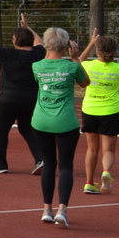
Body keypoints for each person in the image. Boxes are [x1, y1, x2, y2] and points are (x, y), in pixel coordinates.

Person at [30, 27, 89, 227]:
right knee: (65, 166)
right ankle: (62, 210)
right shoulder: (72, 67)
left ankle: (46, 208)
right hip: (65, 122)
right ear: (66, 46)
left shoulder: (37, 66)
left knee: (48, 163)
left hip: (41, 121)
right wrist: (75, 58)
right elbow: (86, 83)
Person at [0, 13, 46, 175]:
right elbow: (41, 42)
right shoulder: (38, 54)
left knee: (1, 130)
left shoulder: (9, 54)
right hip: (31, 98)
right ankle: (41, 158)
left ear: (16, 41)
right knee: (27, 128)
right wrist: (28, 27)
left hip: (8, 99)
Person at [78, 29, 119, 196]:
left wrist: (91, 43)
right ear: (114, 51)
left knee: (92, 149)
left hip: (90, 110)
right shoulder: (118, 69)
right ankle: (106, 172)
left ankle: (89, 182)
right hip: (110, 112)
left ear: (98, 51)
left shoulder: (88, 65)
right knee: (108, 150)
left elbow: (78, 61)